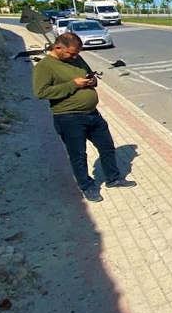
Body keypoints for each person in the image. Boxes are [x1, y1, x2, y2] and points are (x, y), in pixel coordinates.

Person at [32, 33, 137, 202]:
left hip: (92, 114)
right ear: (58, 48)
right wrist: (73, 84)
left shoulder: (76, 59)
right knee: (78, 155)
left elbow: (88, 73)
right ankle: (87, 187)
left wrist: (92, 81)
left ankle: (113, 178)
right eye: (71, 54)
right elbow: (41, 92)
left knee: (107, 146)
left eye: (76, 54)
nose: (74, 57)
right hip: (68, 118)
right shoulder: (44, 66)